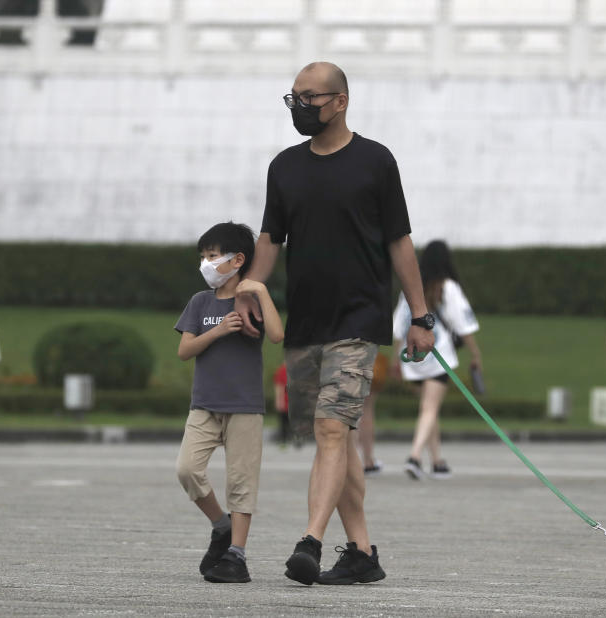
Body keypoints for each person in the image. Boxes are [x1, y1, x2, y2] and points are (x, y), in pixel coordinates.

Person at [236, 61, 435, 586]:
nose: (300, 107)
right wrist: (248, 292)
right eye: (293, 98)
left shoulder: (375, 161)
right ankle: (363, 553)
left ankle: (311, 541)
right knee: (337, 440)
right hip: (304, 323)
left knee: (330, 428)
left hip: (359, 318)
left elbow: (399, 241)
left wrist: (420, 315)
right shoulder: (284, 168)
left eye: (310, 98)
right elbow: (268, 240)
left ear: (341, 101)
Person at [174, 222, 284, 585]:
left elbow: (278, 336)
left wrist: (262, 292)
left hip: (245, 407)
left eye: (212, 256)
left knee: (241, 483)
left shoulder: (252, 301)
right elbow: (184, 350)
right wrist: (219, 329)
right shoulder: (199, 302)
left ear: (237, 259)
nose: (206, 264)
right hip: (204, 405)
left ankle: (236, 555)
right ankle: (220, 526)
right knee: (187, 469)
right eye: (202, 257)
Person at [393, 240, 481, 481]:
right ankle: (414, 456)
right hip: (437, 354)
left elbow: (400, 326)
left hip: (412, 357)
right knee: (430, 409)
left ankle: (438, 462)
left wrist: (395, 360)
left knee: (428, 410)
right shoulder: (448, 287)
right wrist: (475, 354)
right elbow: (463, 325)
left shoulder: (411, 286)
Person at [356, 353, 390, 476]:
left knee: (347, 409)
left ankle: (353, 459)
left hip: (340, 357)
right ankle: (367, 461)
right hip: (366, 356)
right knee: (366, 409)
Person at [272, 362, 292, 446]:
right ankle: (284, 440)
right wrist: (279, 401)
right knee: (284, 423)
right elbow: (279, 386)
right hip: (285, 403)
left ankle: (290, 439)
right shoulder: (282, 370)